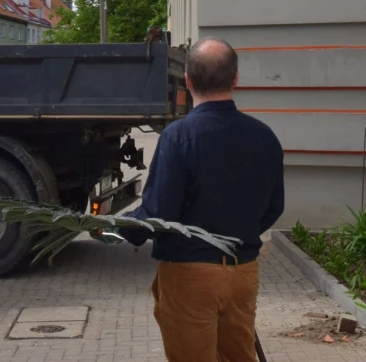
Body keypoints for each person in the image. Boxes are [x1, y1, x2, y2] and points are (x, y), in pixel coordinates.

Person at [120, 37, 285, 362]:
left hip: (190, 275)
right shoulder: (265, 136)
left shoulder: (179, 137)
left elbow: (158, 212)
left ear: (188, 80)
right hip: (242, 272)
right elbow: (273, 208)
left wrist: (124, 229)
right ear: (235, 79)